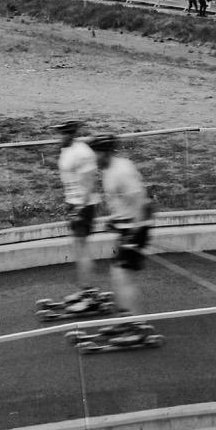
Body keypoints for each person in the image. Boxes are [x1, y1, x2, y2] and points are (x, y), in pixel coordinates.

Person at [89, 132, 155, 344]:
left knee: (123, 276)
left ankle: (135, 327)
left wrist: (135, 236)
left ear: (106, 152)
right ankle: (127, 320)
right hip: (127, 228)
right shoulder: (109, 169)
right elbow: (124, 204)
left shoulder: (121, 172)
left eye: (96, 153)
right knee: (118, 274)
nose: (93, 158)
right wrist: (115, 220)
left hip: (136, 230)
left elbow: (145, 204)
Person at [54, 119, 104, 311]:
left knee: (81, 250)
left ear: (71, 133)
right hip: (73, 204)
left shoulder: (81, 152)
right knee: (77, 249)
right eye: (60, 133)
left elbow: (89, 183)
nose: (60, 136)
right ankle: (85, 290)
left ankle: (89, 295)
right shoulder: (67, 149)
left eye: (64, 133)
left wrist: (79, 209)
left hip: (83, 206)